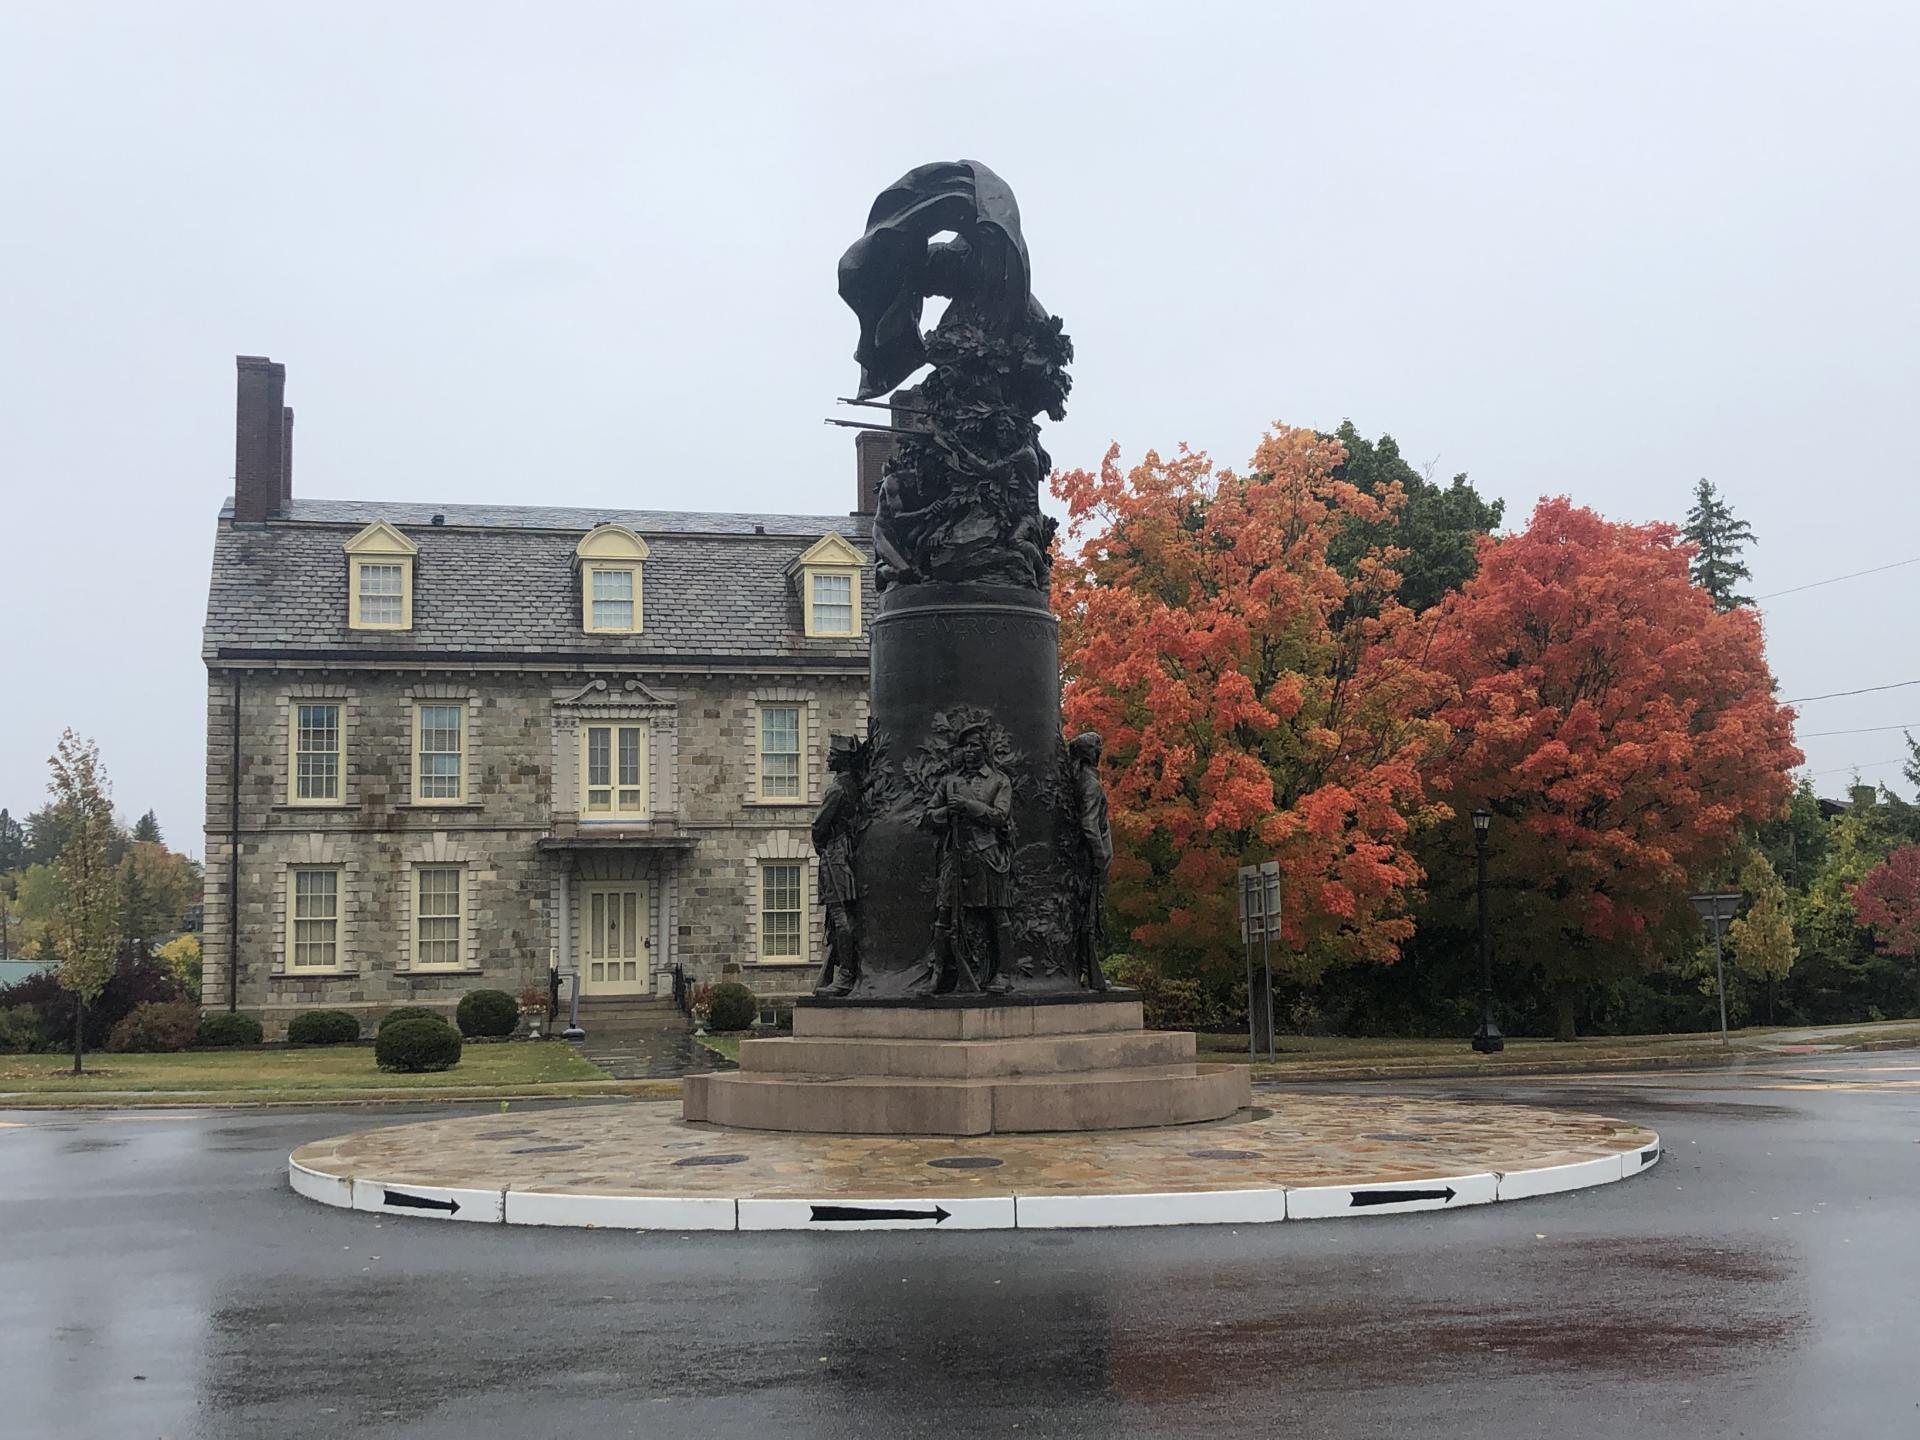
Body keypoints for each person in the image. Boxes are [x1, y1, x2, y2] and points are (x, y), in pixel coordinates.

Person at [928, 721, 1015, 994]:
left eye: (975, 745)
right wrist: (945, 814)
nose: (969, 750)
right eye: (965, 746)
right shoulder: (949, 782)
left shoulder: (999, 781)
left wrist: (968, 806)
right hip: (955, 856)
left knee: (996, 915)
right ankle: (939, 973)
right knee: (944, 914)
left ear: (984, 749)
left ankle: (1003, 972)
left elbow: (1000, 816)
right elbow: (928, 815)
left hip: (986, 855)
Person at [811, 736, 863, 997]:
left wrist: (821, 846)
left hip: (836, 854)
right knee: (841, 916)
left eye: (832, 754)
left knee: (840, 915)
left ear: (842, 759)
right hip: (851, 852)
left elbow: (818, 827)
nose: (828, 757)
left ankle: (845, 975)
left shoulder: (837, 789)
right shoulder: (856, 786)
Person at [1068, 732, 1112, 991]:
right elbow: (1089, 824)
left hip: (1086, 860)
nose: (1101, 750)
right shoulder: (1090, 784)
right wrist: (1100, 856)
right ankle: (1090, 972)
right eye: (1098, 746)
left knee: (1089, 916)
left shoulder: (1081, 780)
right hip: (1092, 862)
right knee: (1090, 918)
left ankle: (1087, 971)